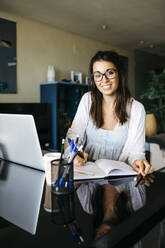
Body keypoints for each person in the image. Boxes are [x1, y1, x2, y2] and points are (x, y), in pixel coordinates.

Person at [64, 50, 154, 176]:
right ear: (93, 79)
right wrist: (73, 154)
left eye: (110, 73)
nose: (104, 80)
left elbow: (136, 153)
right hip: (86, 174)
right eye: (97, 75)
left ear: (120, 74)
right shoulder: (87, 100)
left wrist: (138, 161)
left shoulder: (137, 109)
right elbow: (73, 136)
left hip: (118, 179)